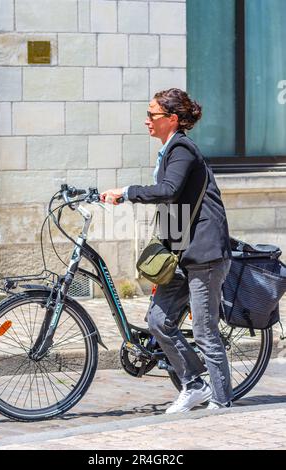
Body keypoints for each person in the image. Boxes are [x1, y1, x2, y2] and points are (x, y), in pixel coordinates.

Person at [100, 88, 233, 413]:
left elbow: (168, 190)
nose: (147, 121)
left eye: (152, 115)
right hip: (180, 252)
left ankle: (222, 402)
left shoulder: (182, 149)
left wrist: (127, 191)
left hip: (205, 254)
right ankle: (194, 384)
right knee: (158, 320)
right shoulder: (170, 150)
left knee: (204, 329)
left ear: (171, 119)